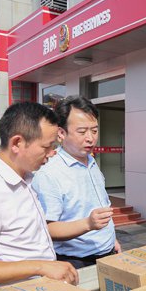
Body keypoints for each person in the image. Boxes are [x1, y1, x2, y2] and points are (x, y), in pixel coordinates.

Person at [0, 103, 78, 289]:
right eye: (46, 146)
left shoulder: (24, 178)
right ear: (16, 143)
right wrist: (40, 266)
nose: (52, 153)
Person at [32, 96, 121, 269]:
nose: (90, 138)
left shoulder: (92, 163)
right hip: (76, 262)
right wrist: (88, 224)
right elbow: (47, 229)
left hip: (107, 254)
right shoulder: (49, 175)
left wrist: (111, 239)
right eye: (82, 132)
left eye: (94, 131)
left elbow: (101, 208)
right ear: (61, 133)